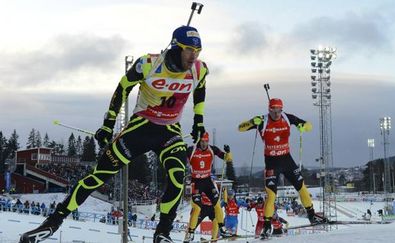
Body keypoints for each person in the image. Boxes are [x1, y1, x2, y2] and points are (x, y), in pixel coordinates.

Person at [20, 25, 208, 243]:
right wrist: (108, 124)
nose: (193, 56)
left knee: (177, 177)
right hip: (141, 128)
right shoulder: (149, 64)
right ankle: (52, 223)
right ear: (176, 47)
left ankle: (162, 233)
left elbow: (201, 88)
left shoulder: (199, 69)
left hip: (170, 131)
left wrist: (198, 120)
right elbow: (122, 88)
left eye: (198, 51)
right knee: (98, 176)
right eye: (188, 50)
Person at [238, 98, 326, 239]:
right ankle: (267, 226)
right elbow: (240, 127)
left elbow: (308, 125)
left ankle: (311, 216)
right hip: (272, 162)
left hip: (287, 159)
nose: (277, 114)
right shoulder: (262, 120)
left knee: (302, 187)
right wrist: (251, 122)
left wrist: (303, 127)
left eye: (279, 111)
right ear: (269, 110)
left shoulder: (287, 117)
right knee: (271, 195)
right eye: (274, 111)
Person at [184, 132, 233, 242]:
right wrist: (182, 149)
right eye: (202, 141)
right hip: (196, 182)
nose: (204, 144)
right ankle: (190, 233)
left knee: (217, 205)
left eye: (206, 141)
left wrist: (228, 152)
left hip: (207, 181)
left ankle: (222, 228)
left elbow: (226, 158)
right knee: (197, 208)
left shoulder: (212, 149)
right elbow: (180, 157)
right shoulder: (191, 150)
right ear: (199, 141)